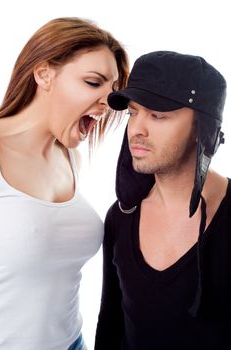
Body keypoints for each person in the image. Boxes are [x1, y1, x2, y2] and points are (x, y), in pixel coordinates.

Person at [0, 17, 128, 350]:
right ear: (44, 74)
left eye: (114, 89)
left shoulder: (70, 158)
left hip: (72, 342)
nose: (109, 101)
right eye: (93, 82)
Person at [95, 51, 230, 349]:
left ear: (202, 129)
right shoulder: (121, 217)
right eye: (133, 113)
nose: (137, 130)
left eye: (157, 115)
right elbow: (110, 325)